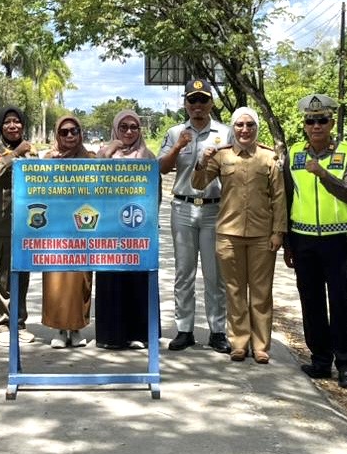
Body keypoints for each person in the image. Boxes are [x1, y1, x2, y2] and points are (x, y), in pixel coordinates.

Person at [283, 94, 347, 388]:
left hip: (338, 241)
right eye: (310, 120)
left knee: (343, 303)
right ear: (304, 125)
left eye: (321, 120)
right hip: (304, 240)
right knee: (311, 302)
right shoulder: (294, 154)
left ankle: (346, 365)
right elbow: (288, 198)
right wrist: (287, 242)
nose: (315, 125)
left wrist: (323, 173)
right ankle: (320, 359)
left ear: (331, 123)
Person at [193, 107, 285, 363]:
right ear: (233, 129)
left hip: (261, 235)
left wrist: (279, 232)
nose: (245, 130)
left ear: (256, 128)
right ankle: (239, 342)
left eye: (250, 125)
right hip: (229, 234)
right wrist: (202, 160)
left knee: (261, 292)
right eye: (240, 125)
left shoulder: (268, 158)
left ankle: (261, 345)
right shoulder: (222, 157)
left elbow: (279, 197)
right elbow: (198, 184)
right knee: (233, 291)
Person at [158, 79, 232, 353]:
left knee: (215, 276)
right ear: (185, 104)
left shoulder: (225, 133)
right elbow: (162, 168)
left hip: (215, 208)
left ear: (212, 103)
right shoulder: (175, 131)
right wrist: (178, 146)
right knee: (184, 273)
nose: (198, 106)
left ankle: (217, 331)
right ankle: (185, 329)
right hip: (183, 208)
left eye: (203, 100)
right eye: (193, 100)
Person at [94, 109, 158, 350]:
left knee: (138, 278)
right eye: (124, 127)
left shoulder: (147, 156)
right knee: (111, 278)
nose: (129, 132)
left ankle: (139, 333)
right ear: (115, 129)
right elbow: (92, 176)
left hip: (137, 227)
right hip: (109, 227)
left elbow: (156, 191)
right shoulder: (105, 153)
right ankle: (112, 336)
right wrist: (110, 148)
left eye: (134, 127)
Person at [42, 115, 95, 348]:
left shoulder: (91, 159)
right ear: (57, 135)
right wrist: (50, 167)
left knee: (80, 279)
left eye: (74, 131)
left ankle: (76, 328)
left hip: (84, 227)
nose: (70, 136)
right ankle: (59, 329)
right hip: (55, 228)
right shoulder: (47, 160)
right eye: (64, 132)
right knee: (56, 279)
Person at [0, 107, 35, 347]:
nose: (13, 126)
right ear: (0, 126)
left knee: (21, 275)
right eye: (8, 122)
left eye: (17, 122)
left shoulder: (30, 153)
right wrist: (14, 153)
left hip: (25, 225)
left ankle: (19, 323)